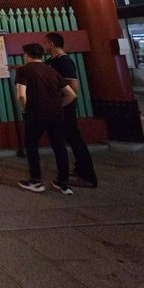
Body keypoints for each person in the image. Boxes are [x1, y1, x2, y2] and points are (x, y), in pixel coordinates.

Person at [15, 43, 77, 195]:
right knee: (59, 146)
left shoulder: (24, 70)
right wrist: (58, 106)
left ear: (27, 55)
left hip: (36, 113)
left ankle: (36, 181)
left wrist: (24, 108)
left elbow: (21, 94)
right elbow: (71, 94)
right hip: (56, 114)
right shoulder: (51, 71)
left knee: (31, 144)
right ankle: (64, 183)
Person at [44, 32, 98, 188]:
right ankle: (80, 167)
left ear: (51, 44)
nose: (44, 46)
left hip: (65, 108)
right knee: (69, 138)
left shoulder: (65, 62)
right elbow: (37, 67)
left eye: (45, 43)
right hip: (57, 107)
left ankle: (88, 176)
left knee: (74, 139)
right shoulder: (52, 61)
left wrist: (60, 106)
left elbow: (73, 89)